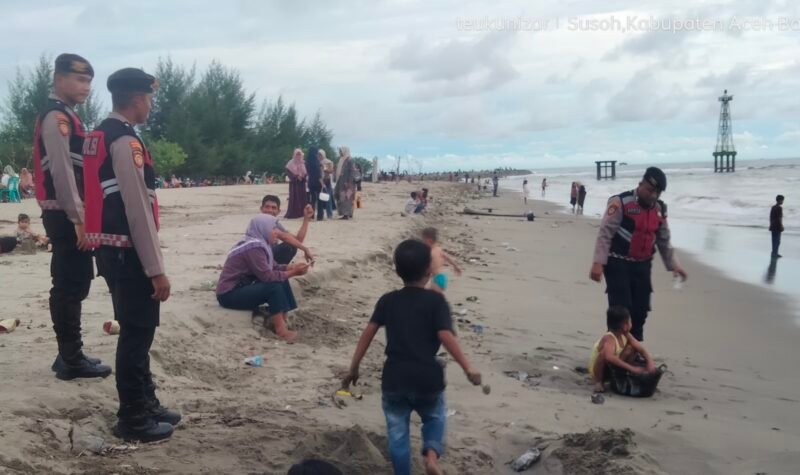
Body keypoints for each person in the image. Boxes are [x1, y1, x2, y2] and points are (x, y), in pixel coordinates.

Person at [84, 67, 177, 441]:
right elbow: (137, 209)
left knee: (136, 329)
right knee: (137, 333)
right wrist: (156, 269)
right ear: (137, 98)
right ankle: (134, 417)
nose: (151, 105)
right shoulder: (124, 141)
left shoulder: (99, 135)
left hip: (109, 248)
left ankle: (145, 402)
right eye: (149, 98)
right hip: (127, 250)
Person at [341, 239, 482, 475]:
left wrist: (353, 368)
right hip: (427, 377)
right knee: (435, 417)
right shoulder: (436, 301)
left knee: (398, 436)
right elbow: (446, 336)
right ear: (429, 270)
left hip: (395, 379)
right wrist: (468, 368)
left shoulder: (388, 300)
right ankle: (431, 457)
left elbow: (367, 334)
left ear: (397, 271)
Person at [32, 54, 111, 380]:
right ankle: (71, 358)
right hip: (64, 213)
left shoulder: (65, 115)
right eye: (79, 79)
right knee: (70, 283)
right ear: (58, 79)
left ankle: (68, 355)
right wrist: (79, 219)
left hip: (65, 211)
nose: (86, 87)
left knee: (73, 281)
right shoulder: (57, 118)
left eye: (89, 81)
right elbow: (63, 172)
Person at [589, 167, 688, 341]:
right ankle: (612, 349)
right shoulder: (621, 203)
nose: (653, 195)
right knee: (621, 311)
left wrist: (674, 265)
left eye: (657, 193)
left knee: (641, 310)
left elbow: (663, 239)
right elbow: (605, 233)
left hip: (643, 265)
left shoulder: (660, 209)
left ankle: (633, 351)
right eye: (649, 190)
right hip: (617, 263)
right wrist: (598, 262)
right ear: (640, 184)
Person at [216, 215, 310, 341]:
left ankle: (283, 319)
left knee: (281, 280)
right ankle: (281, 331)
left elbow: (273, 266)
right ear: (263, 229)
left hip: (242, 287)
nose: (276, 232)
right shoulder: (253, 247)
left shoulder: (261, 243)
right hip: (228, 295)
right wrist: (294, 272)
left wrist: (291, 267)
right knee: (273, 286)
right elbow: (267, 276)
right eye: (273, 229)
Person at [589, 306, 662, 397]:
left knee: (631, 348)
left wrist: (650, 362)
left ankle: (622, 375)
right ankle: (598, 381)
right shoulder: (609, 338)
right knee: (603, 354)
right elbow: (609, 357)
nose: (631, 323)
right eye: (630, 321)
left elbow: (640, 349)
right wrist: (632, 368)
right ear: (625, 325)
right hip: (599, 370)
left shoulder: (626, 334)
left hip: (612, 366)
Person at [260, 194, 314, 265]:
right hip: (258, 256)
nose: (270, 210)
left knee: (292, 245)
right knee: (288, 246)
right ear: (261, 209)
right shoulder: (259, 222)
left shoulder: (275, 224)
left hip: (268, 256)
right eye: (267, 207)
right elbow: (285, 237)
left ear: (278, 211)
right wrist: (305, 249)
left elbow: (297, 240)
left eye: (273, 208)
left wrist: (306, 218)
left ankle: (278, 269)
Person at [421, 228, 462, 294]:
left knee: (432, 295)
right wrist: (456, 266)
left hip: (436, 279)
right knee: (433, 295)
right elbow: (448, 258)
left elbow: (430, 268)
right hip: (441, 277)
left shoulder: (431, 253)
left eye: (423, 240)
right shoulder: (439, 249)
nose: (422, 243)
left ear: (429, 240)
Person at [334, 146, 358, 220]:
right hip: (341, 182)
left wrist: (349, 182)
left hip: (348, 184)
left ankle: (347, 214)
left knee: (347, 198)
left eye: (341, 151)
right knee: (342, 198)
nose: (340, 152)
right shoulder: (342, 160)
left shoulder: (350, 160)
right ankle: (345, 213)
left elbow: (352, 172)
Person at [284, 148, 307, 219]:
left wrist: (303, 177)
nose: (298, 156)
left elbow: (306, 172)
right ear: (294, 154)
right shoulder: (290, 163)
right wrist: (296, 177)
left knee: (302, 198)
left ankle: (301, 213)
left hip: (302, 184)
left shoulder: (303, 163)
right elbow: (288, 172)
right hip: (294, 184)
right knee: (294, 198)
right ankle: (294, 213)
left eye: (299, 154)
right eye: (297, 154)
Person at [306, 146, 324, 221]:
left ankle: (311, 215)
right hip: (317, 181)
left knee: (312, 199)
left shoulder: (307, 161)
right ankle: (320, 216)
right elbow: (318, 172)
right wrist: (321, 182)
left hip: (311, 181)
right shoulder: (316, 161)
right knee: (320, 199)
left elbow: (308, 171)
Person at [318, 150, 334, 219]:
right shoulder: (317, 162)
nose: (319, 156)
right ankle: (321, 214)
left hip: (326, 182)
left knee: (328, 198)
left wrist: (323, 166)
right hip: (319, 181)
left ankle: (329, 214)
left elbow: (329, 171)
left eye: (320, 155)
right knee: (320, 198)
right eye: (318, 155)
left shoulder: (327, 162)